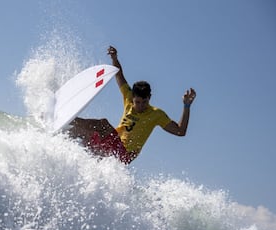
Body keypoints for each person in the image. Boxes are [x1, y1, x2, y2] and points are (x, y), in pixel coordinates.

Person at [68, 46, 196, 164]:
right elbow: (119, 75)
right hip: (110, 145)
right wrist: (114, 58)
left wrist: (186, 106)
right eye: (138, 102)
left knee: (103, 124)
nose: (141, 106)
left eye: (144, 102)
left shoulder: (157, 114)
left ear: (149, 98)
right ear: (133, 98)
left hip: (124, 154)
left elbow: (180, 131)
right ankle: (63, 129)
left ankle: (70, 122)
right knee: (82, 134)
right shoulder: (128, 98)